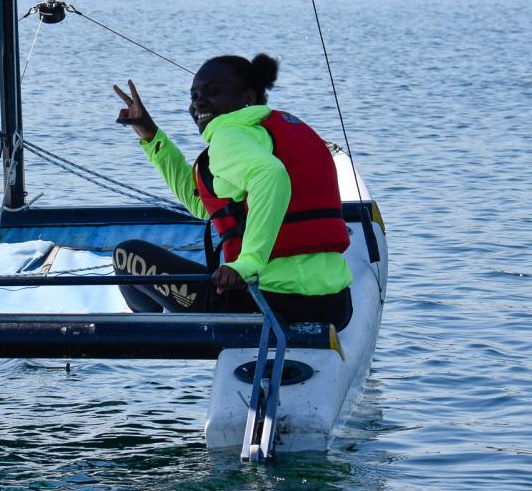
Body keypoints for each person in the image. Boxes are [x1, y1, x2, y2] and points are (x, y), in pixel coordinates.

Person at [112, 53, 353, 329]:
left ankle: (150, 339)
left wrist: (247, 263)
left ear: (248, 97)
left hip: (266, 302)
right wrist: (149, 134)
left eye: (212, 92)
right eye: (194, 95)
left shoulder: (228, 136)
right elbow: (201, 202)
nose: (199, 102)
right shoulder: (280, 129)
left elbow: (270, 175)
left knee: (127, 256)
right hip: (335, 304)